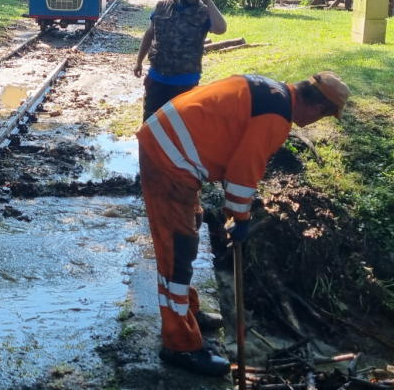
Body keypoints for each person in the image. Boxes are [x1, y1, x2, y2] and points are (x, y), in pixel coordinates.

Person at [136, 72, 350, 376]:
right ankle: (179, 345)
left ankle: (188, 310)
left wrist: (237, 212)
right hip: (169, 158)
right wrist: (240, 218)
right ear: (317, 109)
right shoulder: (275, 118)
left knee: (186, 236)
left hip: (171, 147)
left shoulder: (272, 91)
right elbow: (242, 172)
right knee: (177, 252)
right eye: (325, 117)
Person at [133, 0, 228, 121]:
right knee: (151, 123)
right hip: (157, 78)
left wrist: (208, 1)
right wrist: (139, 61)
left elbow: (221, 29)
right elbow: (149, 34)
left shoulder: (203, 12)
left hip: (186, 82)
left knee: (181, 128)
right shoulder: (162, 7)